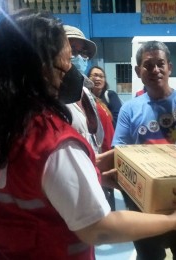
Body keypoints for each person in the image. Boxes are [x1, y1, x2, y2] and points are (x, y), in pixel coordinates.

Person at [0, 10, 176, 259]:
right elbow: (99, 229)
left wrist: (91, 170)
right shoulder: (53, 142)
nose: (73, 70)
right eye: (66, 62)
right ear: (43, 70)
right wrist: (175, 220)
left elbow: (31, 184)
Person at [112, 40, 176, 260]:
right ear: (138, 71)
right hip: (143, 201)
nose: (155, 70)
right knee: (148, 255)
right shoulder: (129, 109)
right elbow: (120, 151)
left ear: (169, 67)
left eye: (160, 63)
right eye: (148, 65)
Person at [61, 24, 116, 209]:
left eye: (83, 52)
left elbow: (94, 140)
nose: (79, 57)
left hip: (92, 180)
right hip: (66, 191)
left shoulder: (87, 93)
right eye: (72, 50)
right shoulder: (50, 96)